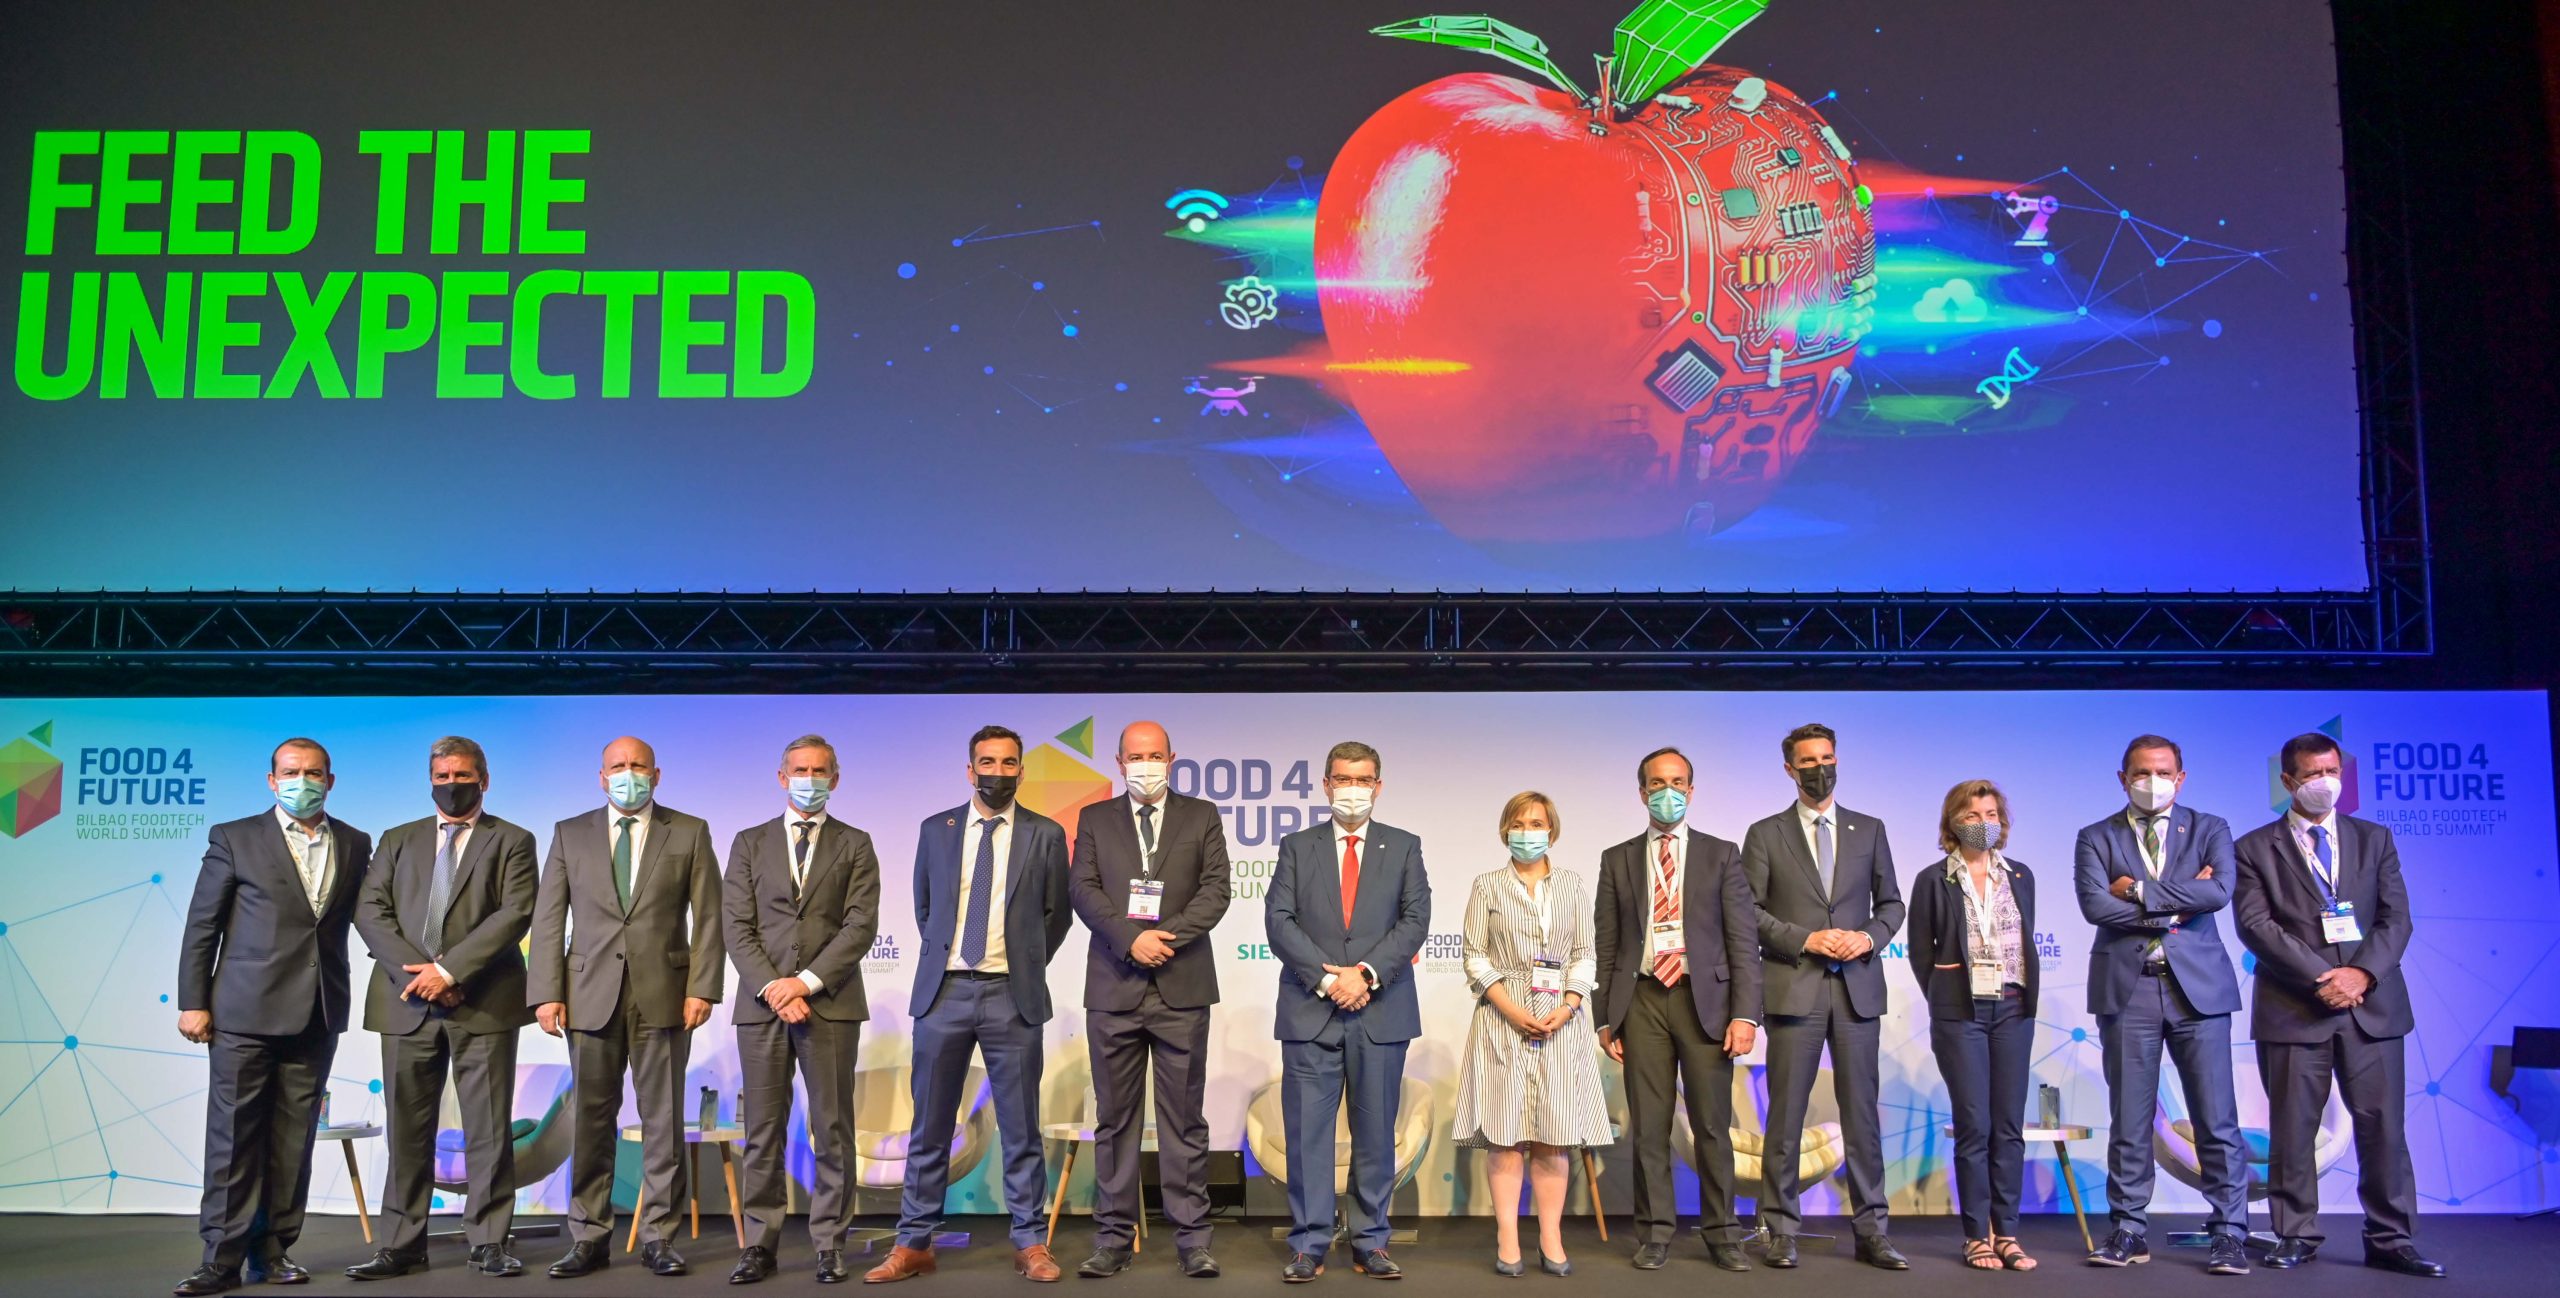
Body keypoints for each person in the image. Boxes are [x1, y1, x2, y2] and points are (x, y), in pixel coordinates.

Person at [866, 725, 1074, 1284]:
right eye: (987, 762)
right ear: (969, 769)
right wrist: (952, 963)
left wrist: (1024, 963)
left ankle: (1030, 1242)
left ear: (1021, 771)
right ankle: (913, 1242)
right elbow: (925, 908)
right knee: (930, 1126)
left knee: (1021, 1128)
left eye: (1008, 763)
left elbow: (1056, 916)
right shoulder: (936, 829)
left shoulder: (1046, 833)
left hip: (1013, 995)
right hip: (945, 993)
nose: (997, 772)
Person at [2234, 732, 2441, 1278]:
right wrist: (2323, 979)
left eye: (2332, 771)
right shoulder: (2253, 848)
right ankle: (2295, 1234)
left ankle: (2391, 1238)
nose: (2325, 782)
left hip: (2372, 1008)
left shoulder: (2374, 838)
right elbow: (2256, 926)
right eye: (2312, 774)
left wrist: (2361, 974)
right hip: (2295, 1008)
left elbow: (2396, 918)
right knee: (2293, 1130)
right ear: (2288, 781)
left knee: (2384, 1129)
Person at [173, 738, 374, 1296]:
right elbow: (203, 925)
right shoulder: (234, 837)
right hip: (242, 1015)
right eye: (290, 772)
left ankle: (273, 1252)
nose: (301, 782)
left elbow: (371, 919)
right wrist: (193, 1001)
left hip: (317, 1012)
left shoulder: (356, 842)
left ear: (330, 780)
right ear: (271, 780)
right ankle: (219, 1261)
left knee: (292, 1143)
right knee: (234, 1141)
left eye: (312, 773)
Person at [530, 736, 725, 1279]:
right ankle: (589, 1237)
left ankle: (659, 1236)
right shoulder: (569, 833)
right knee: (589, 1122)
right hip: (587, 996)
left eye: (638, 765)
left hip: (665, 994)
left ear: (656, 775)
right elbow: (549, 918)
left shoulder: (689, 831)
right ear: (601, 776)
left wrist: (703, 987)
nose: (628, 774)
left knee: (663, 1121)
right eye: (617, 766)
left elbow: (710, 916)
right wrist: (546, 991)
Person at [346, 736, 539, 1281]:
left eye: (462, 776)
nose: (452, 785)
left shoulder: (513, 840)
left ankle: (489, 1241)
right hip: (406, 1000)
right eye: (442, 777)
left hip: (484, 1001)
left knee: (488, 1129)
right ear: (430, 780)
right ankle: (401, 1245)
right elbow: (370, 910)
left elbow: (514, 913)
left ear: (484, 779)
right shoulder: (397, 839)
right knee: (406, 1129)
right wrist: (423, 976)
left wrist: (450, 972)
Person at [2072, 735, 2252, 1275]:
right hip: (2128, 989)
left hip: (2198, 990)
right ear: (2123, 778)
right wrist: (2179, 900)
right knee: (2130, 1119)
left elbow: (2219, 892)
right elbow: (2094, 905)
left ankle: (2229, 1232)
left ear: (2181, 777)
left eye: (2164, 772)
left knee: (2216, 1117)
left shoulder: (2210, 828)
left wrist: (2138, 892)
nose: (2153, 782)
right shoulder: (2095, 836)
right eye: (2142, 773)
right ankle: (2128, 1229)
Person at [1067, 722, 1232, 1279]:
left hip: (1181, 985)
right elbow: (1083, 889)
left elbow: (1216, 890)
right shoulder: (1095, 818)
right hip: (1114, 985)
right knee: (1115, 1121)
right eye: (1136, 757)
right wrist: (1129, 938)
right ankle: (1114, 1237)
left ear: (1172, 758)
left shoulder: (1201, 815)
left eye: (1155, 755)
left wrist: (1166, 938)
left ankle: (1193, 1240)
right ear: (1118, 762)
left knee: (1183, 1120)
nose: (1146, 765)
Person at [1740, 721, 1906, 1269]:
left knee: (1862, 1118)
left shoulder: (1869, 829)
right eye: (1808, 761)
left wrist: (1868, 937)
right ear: (1790, 769)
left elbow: (1892, 905)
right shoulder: (1765, 833)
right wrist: (1805, 938)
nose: (1819, 768)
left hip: (1857, 991)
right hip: (1795, 988)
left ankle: (1872, 1232)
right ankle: (1780, 1229)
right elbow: (1748, 911)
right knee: (1785, 1117)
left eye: (1827, 758)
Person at [1266, 741, 1432, 1283]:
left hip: (1379, 1011)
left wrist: (1364, 974)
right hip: (1310, 1011)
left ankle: (1370, 1241)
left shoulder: (1404, 846)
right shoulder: (1297, 847)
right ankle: (1308, 1244)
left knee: (1376, 1134)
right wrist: (1328, 979)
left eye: (1363, 780)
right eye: (1342, 779)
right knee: (1307, 1136)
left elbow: (1415, 920)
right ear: (1326, 785)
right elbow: (1279, 921)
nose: (1352, 790)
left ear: (1378, 786)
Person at [1592, 748, 1761, 1273]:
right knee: (1649, 1128)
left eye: (1678, 782)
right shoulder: (1617, 858)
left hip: (1704, 1002)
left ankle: (1722, 1234)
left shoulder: (1721, 854)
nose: (1668, 792)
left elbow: (1743, 939)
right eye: (1657, 783)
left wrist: (1745, 1014)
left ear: (1691, 789)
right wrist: (1605, 1017)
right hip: (1642, 1000)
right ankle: (1655, 1233)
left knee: (1712, 1127)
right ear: (1642, 792)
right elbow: (1606, 943)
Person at [723, 735, 881, 1285]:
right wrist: (775, 988)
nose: (809, 779)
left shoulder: (856, 843)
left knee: (831, 1128)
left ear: (834, 779)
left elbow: (860, 926)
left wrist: (804, 984)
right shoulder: (749, 842)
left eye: (819, 771)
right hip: (762, 1007)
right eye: (799, 770)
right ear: (781, 776)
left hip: (830, 1004)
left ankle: (830, 1244)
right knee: (762, 1131)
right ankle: (759, 1245)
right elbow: (736, 926)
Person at [1452, 791, 1614, 1276]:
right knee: (1505, 1136)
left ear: (1552, 830)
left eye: (1537, 823)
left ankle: (1550, 1236)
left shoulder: (1572, 884)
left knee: (1553, 1136)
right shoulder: (1487, 885)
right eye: (1519, 824)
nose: (1528, 832)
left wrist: (1569, 1005)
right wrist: (1509, 1007)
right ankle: (1507, 1236)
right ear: (1506, 830)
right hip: (1502, 1018)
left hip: (1562, 1019)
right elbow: (1474, 954)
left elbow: (1585, 953)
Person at [1907, 780, 2041, 1273]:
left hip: (2013, 1008)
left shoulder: (2020, 875)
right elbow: (1920, 952)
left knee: (2008, 1126)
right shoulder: (1932, 879)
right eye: (1971, 814)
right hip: (1960, 1013)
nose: (1983, 823)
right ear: (1953, 822)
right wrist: (1944, 996)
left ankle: (2007, 1234)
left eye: (1990, 814)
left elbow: (2024, 940)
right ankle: (1975, 1237)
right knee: (1974, 1125)